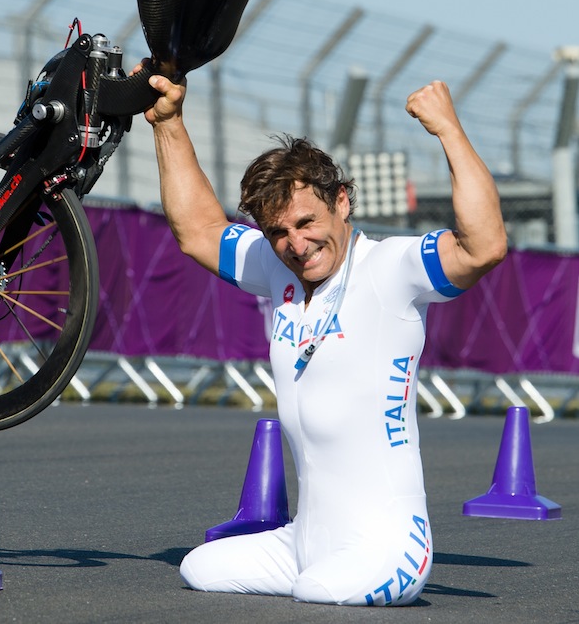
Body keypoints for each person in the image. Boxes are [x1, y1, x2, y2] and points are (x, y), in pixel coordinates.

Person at [143, 75, 507, 607]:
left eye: (306, 222)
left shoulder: (390, 269)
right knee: (199, 566)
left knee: (317, 592)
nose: (296, 245)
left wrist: (448, 129)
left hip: (391, 546)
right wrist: (168, 122)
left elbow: (484, 247)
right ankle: (312, 561)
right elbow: (197, 231)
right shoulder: (276, 267)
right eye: (278, 232)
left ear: (342, 202)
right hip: (304, 544)